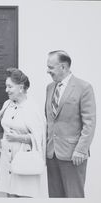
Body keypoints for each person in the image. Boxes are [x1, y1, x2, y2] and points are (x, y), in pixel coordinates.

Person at [45, 50, 96, 198]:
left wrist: (81, 150)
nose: (47, 70)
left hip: (73, 155)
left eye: (51, 67)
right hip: (52, 153)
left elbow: (89, 123)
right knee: (55, 197)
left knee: (74, 196)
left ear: (63, 67)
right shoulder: (49, 88)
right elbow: (49, 120)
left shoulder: (84, 87)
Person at [0, 68, 48, 198]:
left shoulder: (32, 108)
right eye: (6, 86)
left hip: (25, 158)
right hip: (7, 157)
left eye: (10, 86)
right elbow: (0, 125)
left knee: (24, 195)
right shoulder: (7, 104)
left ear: (21, 88)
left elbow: (39, 138)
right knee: (10, 195)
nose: (6, 90)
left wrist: (17, 137)